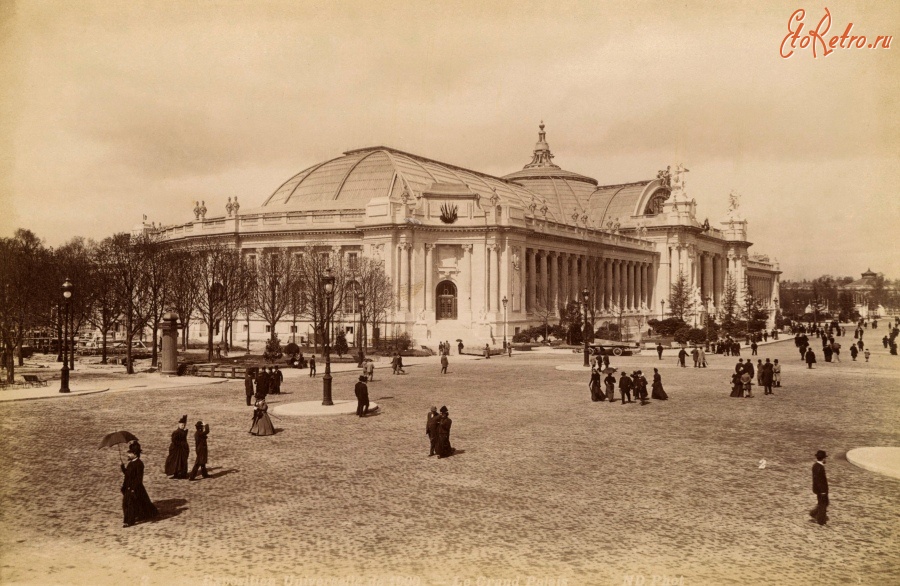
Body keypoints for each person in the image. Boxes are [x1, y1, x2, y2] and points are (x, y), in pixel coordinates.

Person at [120, 442, 158, 527]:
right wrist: (123, 469)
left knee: (130, 504)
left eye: (130, 453)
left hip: (135, 488)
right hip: (128, 487)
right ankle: (141, 515)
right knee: (132, 503)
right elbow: (128, 474)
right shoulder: (130, 463)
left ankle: (129, 521)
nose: (128, 454)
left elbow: (138, 479)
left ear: (135, 454)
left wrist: (133, 489)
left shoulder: (139, 464)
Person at [164, 415, 190, 479]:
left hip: (182, 449)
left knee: (182, 461)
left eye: (184, 425)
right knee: (176, 461)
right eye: (182, 425)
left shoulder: (182, 431)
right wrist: (180, 444)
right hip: (177, 449)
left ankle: (181, 474)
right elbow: (174, 440)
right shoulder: (176, 432)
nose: (183, 426)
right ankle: (176, 473)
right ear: (179, 425)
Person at [809, 450, 829, 525]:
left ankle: (814, 513)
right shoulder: (820, 467)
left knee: (824, 503)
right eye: (825, 458)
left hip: (818, 489)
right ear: (823, 459)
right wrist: (823, 491)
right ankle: (821, 520)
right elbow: (819, 480)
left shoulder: (815, 465)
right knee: (823, 504)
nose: (825, 460)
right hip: (821, 490)